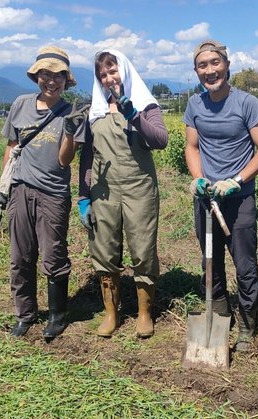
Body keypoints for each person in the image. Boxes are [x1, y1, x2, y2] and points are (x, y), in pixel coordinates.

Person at [184, 39, 258, 351]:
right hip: (207, 198)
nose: (210, 70)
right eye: (202, 65)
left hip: (239, 198)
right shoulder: (195, 105)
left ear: (226, 64)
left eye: (215, 63)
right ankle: (220, 316)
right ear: (197, 71)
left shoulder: (247, 103)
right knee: (210, 261)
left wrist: (236, 180)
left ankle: (248, 322)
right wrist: (198, 179)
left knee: (245, 263)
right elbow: (192, 147)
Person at [76, 50, 168, 339]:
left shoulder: (144, 104)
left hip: (138, 188)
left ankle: (143, 313)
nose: (108, 78)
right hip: (103, 192)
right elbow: (88, 156)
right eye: (102, 75)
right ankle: (111, 313)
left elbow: (160, 140)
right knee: (104, 249)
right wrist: (83, 196)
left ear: (124, 71)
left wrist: (134, 116)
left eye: (112, 71)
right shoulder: (96, 112)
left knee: (142, 249)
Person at [2, 45, 87, 340]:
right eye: (45, 75)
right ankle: (24, 315)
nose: (51, 81)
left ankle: (56, 315)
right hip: (20, 190)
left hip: (53, 193)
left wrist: (71, 131)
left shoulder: (72, 113)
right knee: (20, 256)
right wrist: (4, 186)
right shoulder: (20, 105)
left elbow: (65, 160)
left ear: (67, 80)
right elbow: (12, 148)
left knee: (53, 255)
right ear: (36, 76)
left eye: (58, 76)